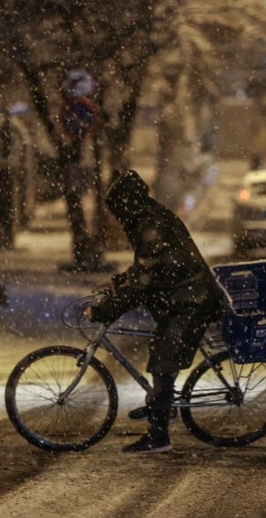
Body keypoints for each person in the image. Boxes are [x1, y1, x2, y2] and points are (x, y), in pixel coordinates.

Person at [87, 169, 225, 453]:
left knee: (163, 360)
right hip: (183, 295)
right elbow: (144, 269)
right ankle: (161, 405)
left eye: (116, 209)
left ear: (126, 204)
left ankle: (159, 435)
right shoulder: (148, 218)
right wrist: (116, 282)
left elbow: (143, 281)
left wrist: (108, 310)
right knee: (162, 348)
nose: (114, 216)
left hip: (192, 299)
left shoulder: (150, 225)